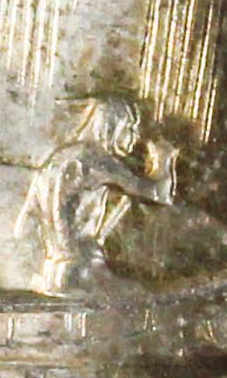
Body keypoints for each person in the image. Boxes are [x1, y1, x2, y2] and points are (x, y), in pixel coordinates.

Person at [16, 97, 177, 295]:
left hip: (51, 269)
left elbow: (24, 224)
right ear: (113, 127)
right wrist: (163, 158)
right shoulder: (96, 161)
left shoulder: (58, 159)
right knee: (141, 294)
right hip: (83, 268)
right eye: (129, 128)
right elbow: (158, 194)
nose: (134, 137)